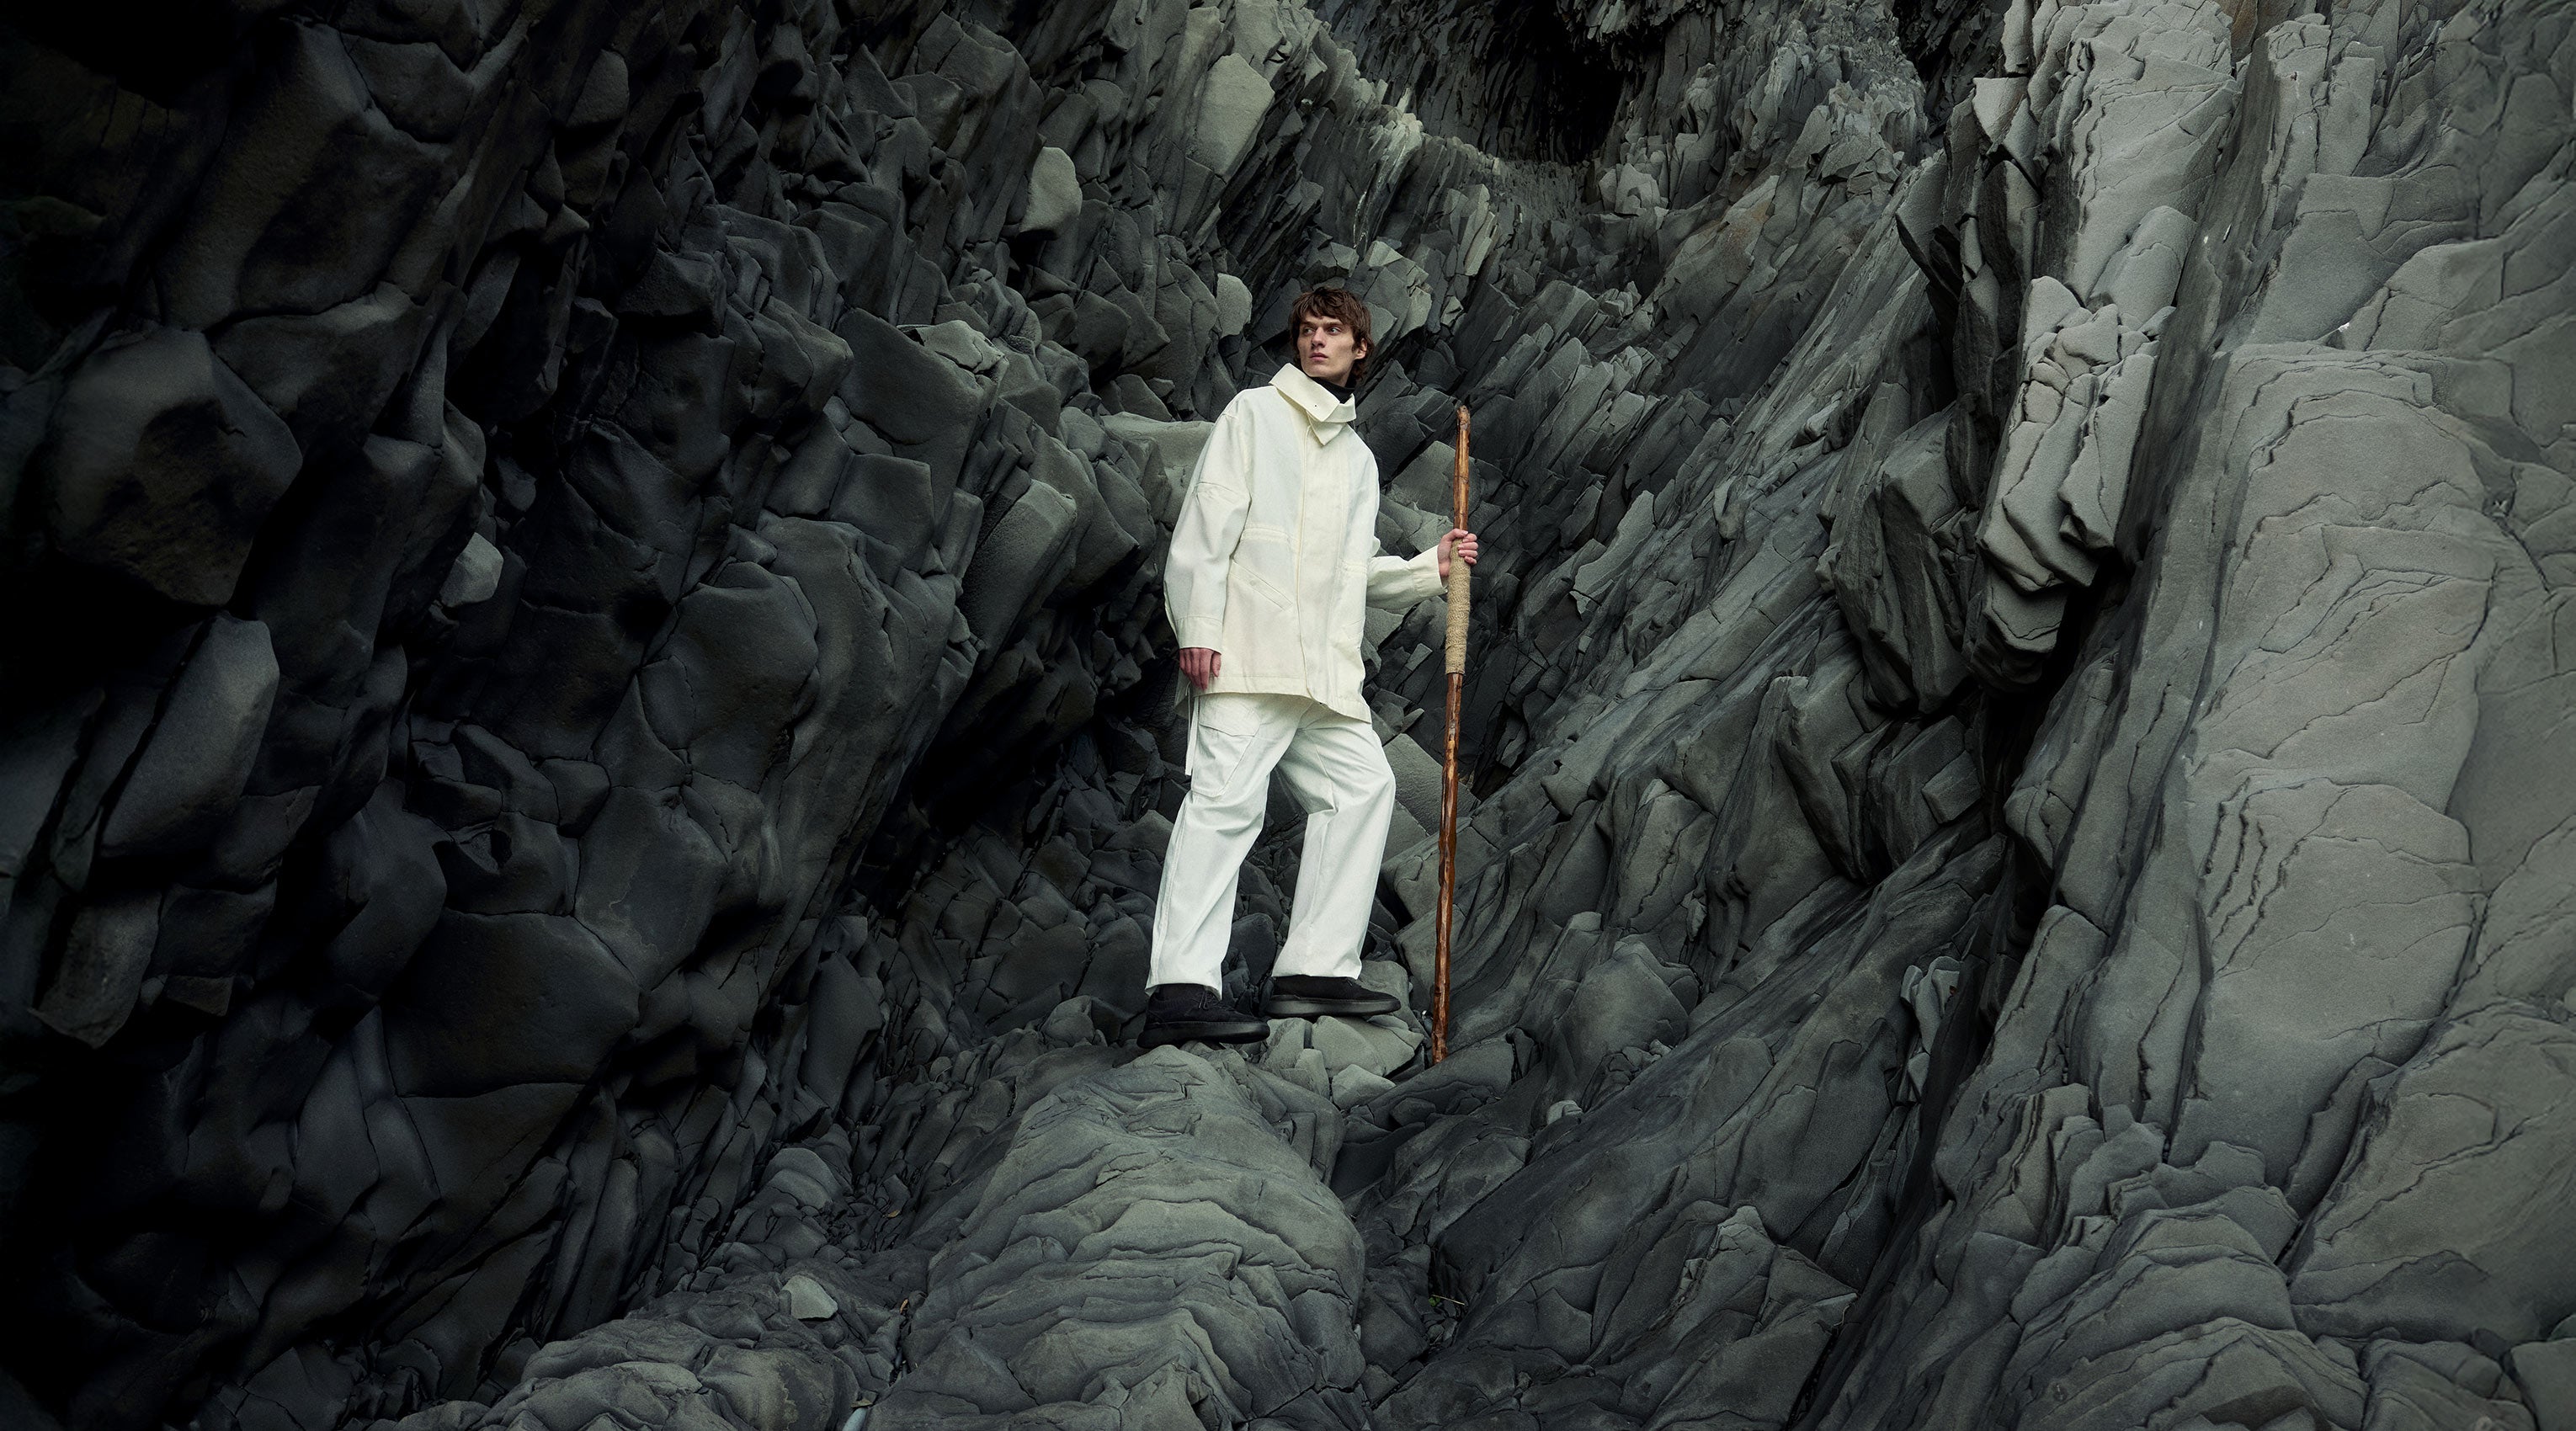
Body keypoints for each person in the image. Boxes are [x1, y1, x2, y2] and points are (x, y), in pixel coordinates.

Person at [1142, 286, 1479, 1047]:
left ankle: (1313, 971)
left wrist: (1434, 565)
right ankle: (1178, 990)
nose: (1316, 341)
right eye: (1307, 330)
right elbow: (1206, 522)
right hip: (1247, 654)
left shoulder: (1357, 460)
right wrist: (1197, 624)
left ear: (1362, 349)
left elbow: (1356, 568)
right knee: (1225, 808)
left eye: (1333, 332)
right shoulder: (1254, 415)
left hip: (1322, 678)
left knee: (1366, 789)